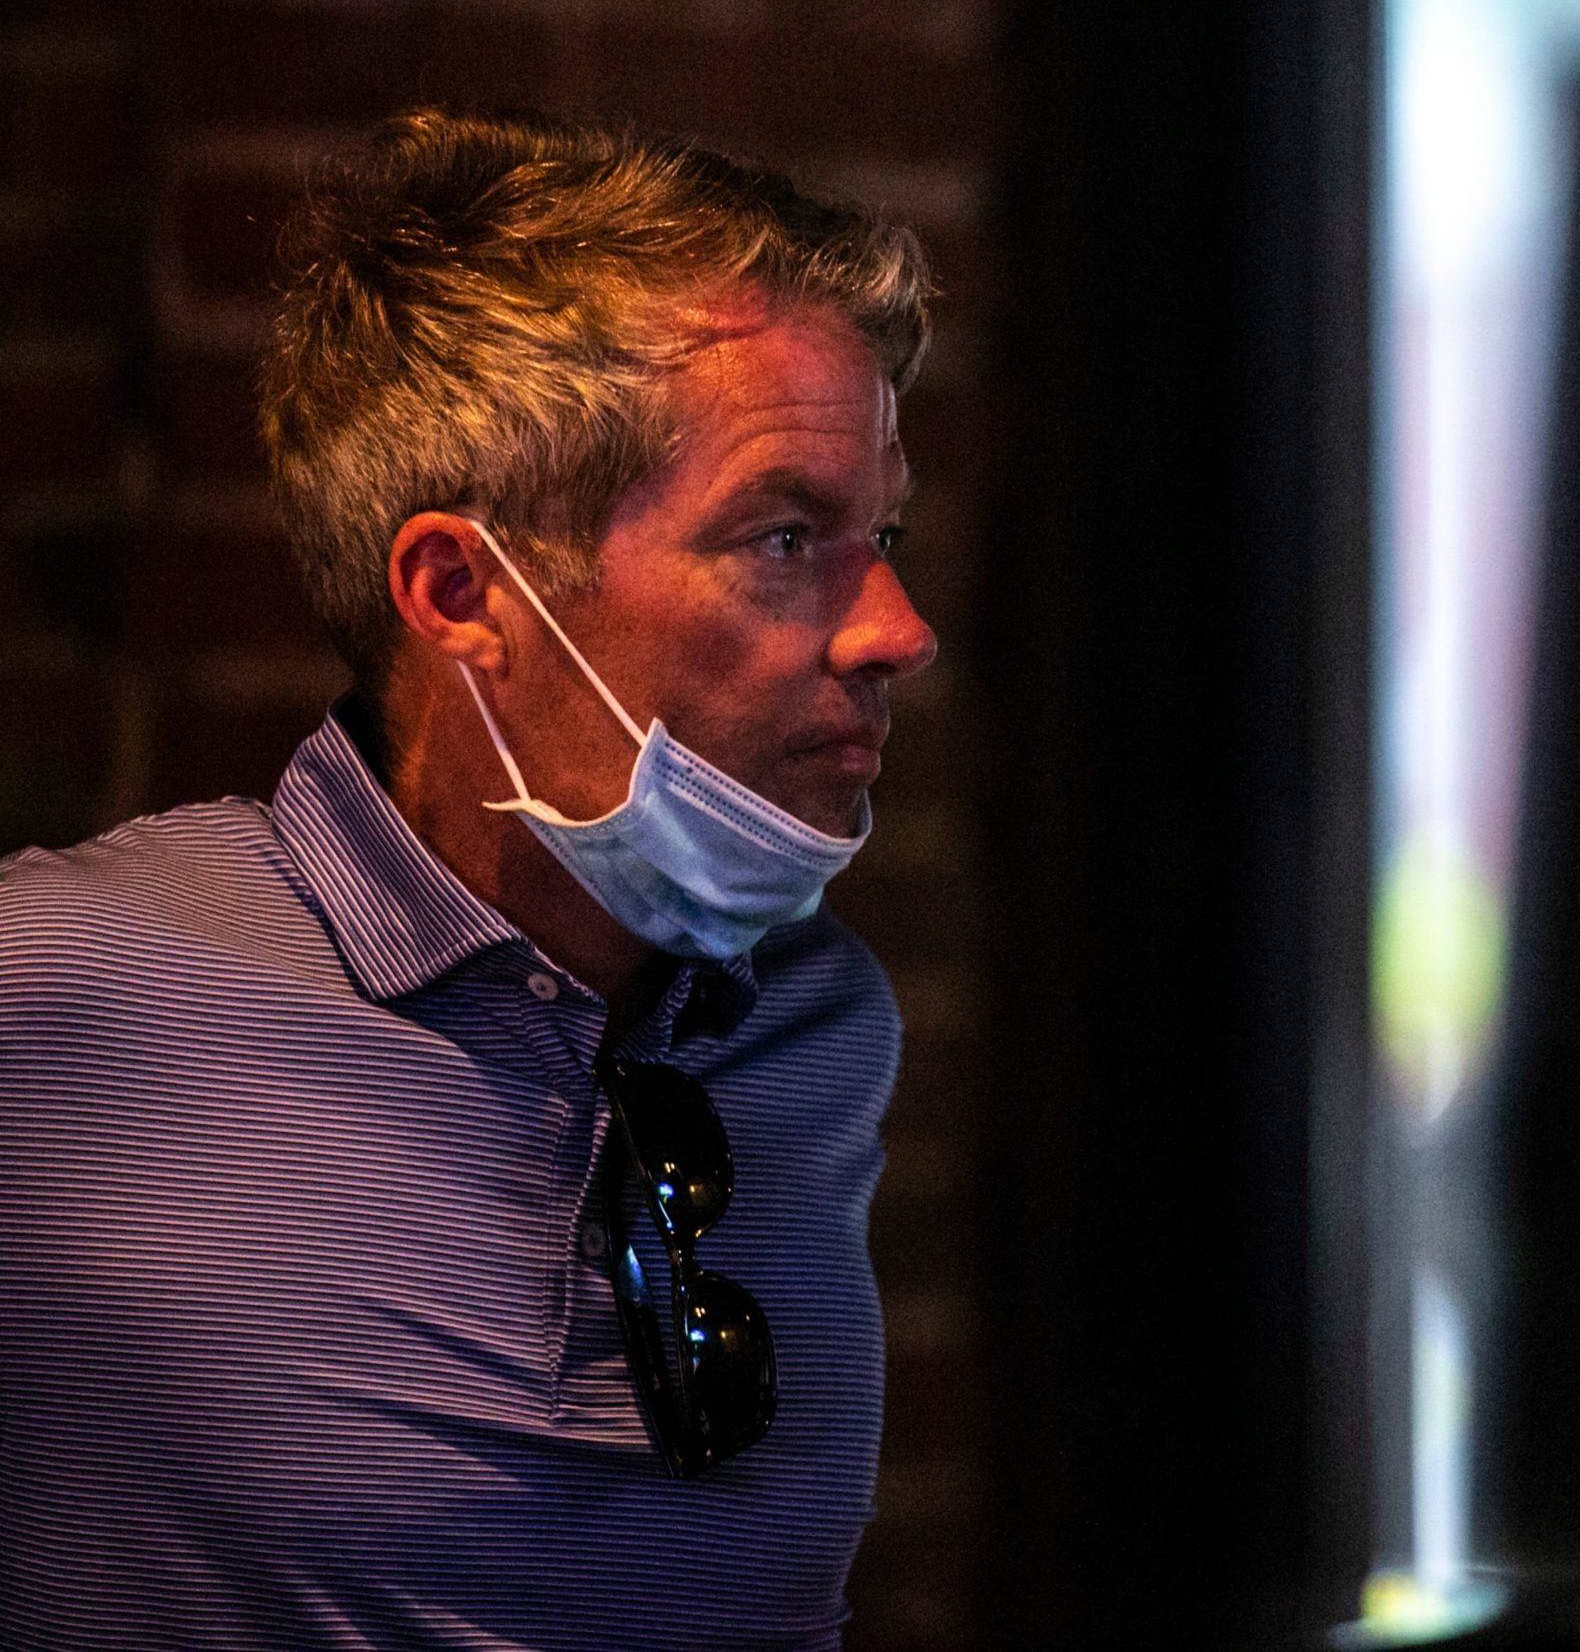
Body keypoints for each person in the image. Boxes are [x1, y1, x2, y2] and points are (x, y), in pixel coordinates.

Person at [0, 107, 939, 1649]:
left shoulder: (815, 1025)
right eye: (786, 537)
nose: (895, 625)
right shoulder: (62, 1001)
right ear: (462, 593)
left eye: (882, 531)